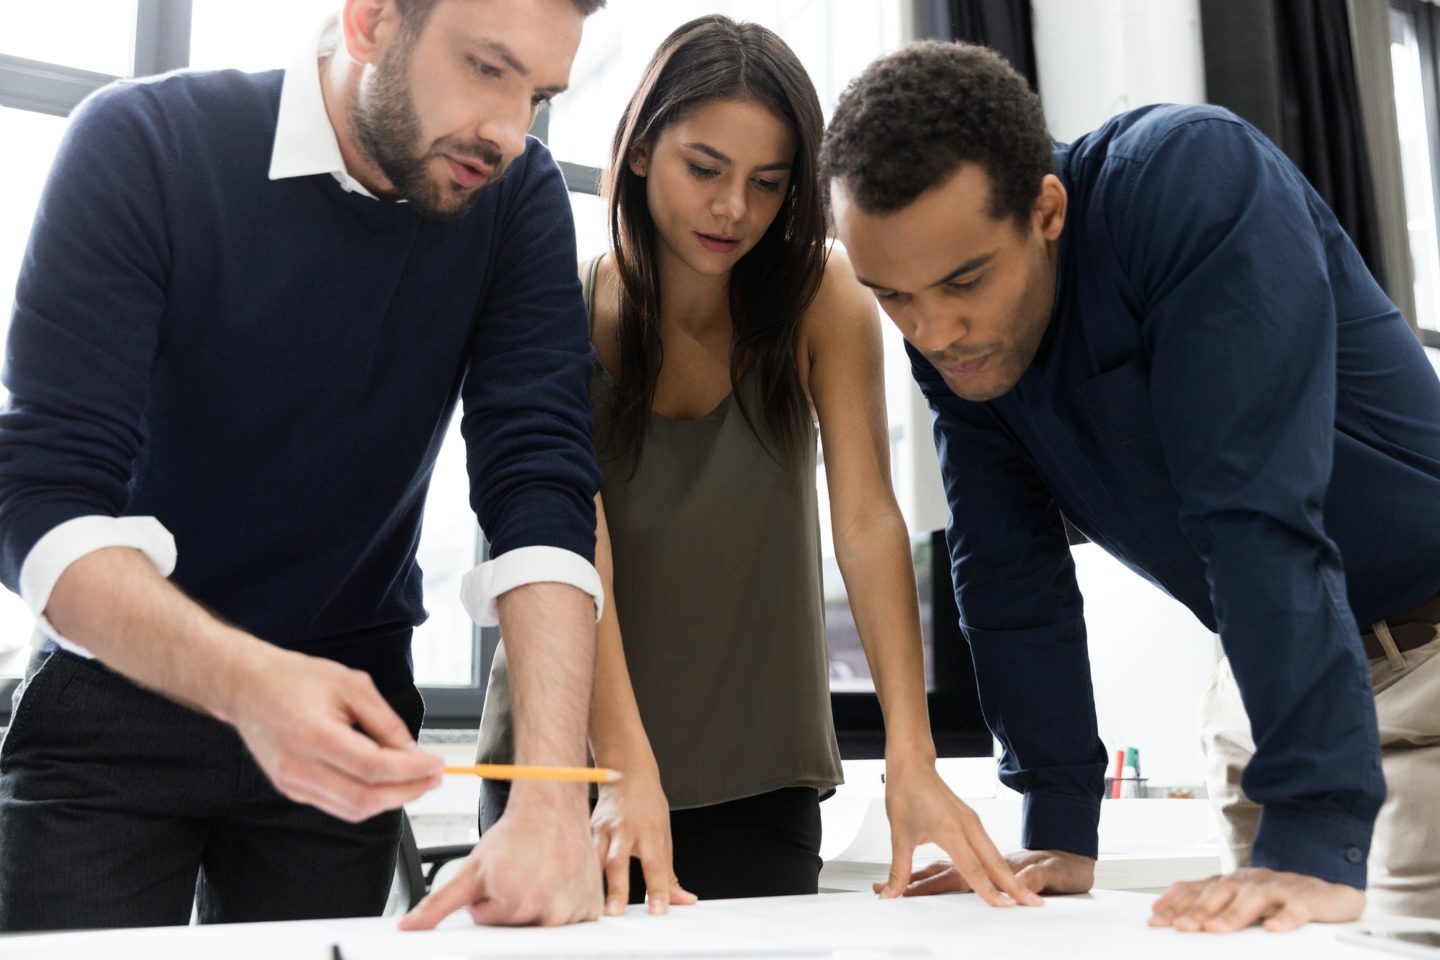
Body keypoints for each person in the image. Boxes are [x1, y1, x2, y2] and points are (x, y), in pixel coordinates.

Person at [0, 0, 610, 932]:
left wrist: (555, 795)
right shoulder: (143, 144)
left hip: (351, 711)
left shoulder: (514, 196)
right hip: (116, 696)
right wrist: (250, 686)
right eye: (487, 69)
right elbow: (39, 495)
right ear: (369, 22)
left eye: (538, 94)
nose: (509, 131)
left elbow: (539, 478)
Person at [821, 41, 1440, 930]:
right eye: (893, 297)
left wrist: (1312, 829)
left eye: (964, 280)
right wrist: (1060, 823)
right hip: (1267, 714)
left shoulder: (1190, 180)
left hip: (1427, 678)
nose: (934, 330)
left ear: (1046, 210)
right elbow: (1006, 566)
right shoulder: (957, 343)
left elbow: (1252, 506)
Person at [452, 15, 1039, 918]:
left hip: (760, 779)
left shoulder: (820, 297)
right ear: (642, 149)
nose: (734, 210)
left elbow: (868, 522)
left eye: (768, 184)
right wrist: (624, 768)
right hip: (565, 769)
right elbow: (575, 543)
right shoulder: (561, 304)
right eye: (705, 170)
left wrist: (910, 755)